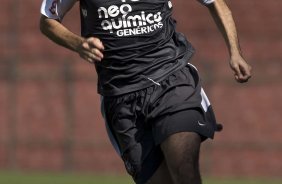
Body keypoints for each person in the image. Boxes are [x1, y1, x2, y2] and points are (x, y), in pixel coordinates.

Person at [39, 0, 252, 183]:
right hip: (121, 96)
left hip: (171, 81)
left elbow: (216, 2)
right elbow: (48, 20)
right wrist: (78, 43)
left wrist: (235, 52)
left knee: (184, 168)